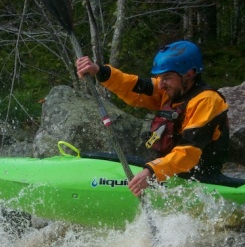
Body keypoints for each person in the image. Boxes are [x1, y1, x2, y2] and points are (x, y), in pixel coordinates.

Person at [75, 40, 230, 197]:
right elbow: (133, 87)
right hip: (170, 173)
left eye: (167, 77)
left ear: (189, 74)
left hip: (202, 180)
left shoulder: (208, 101)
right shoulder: (171, 91)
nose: (161, 84)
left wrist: (151, 171)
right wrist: (99, 71)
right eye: (160, 77)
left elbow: (188, 152)